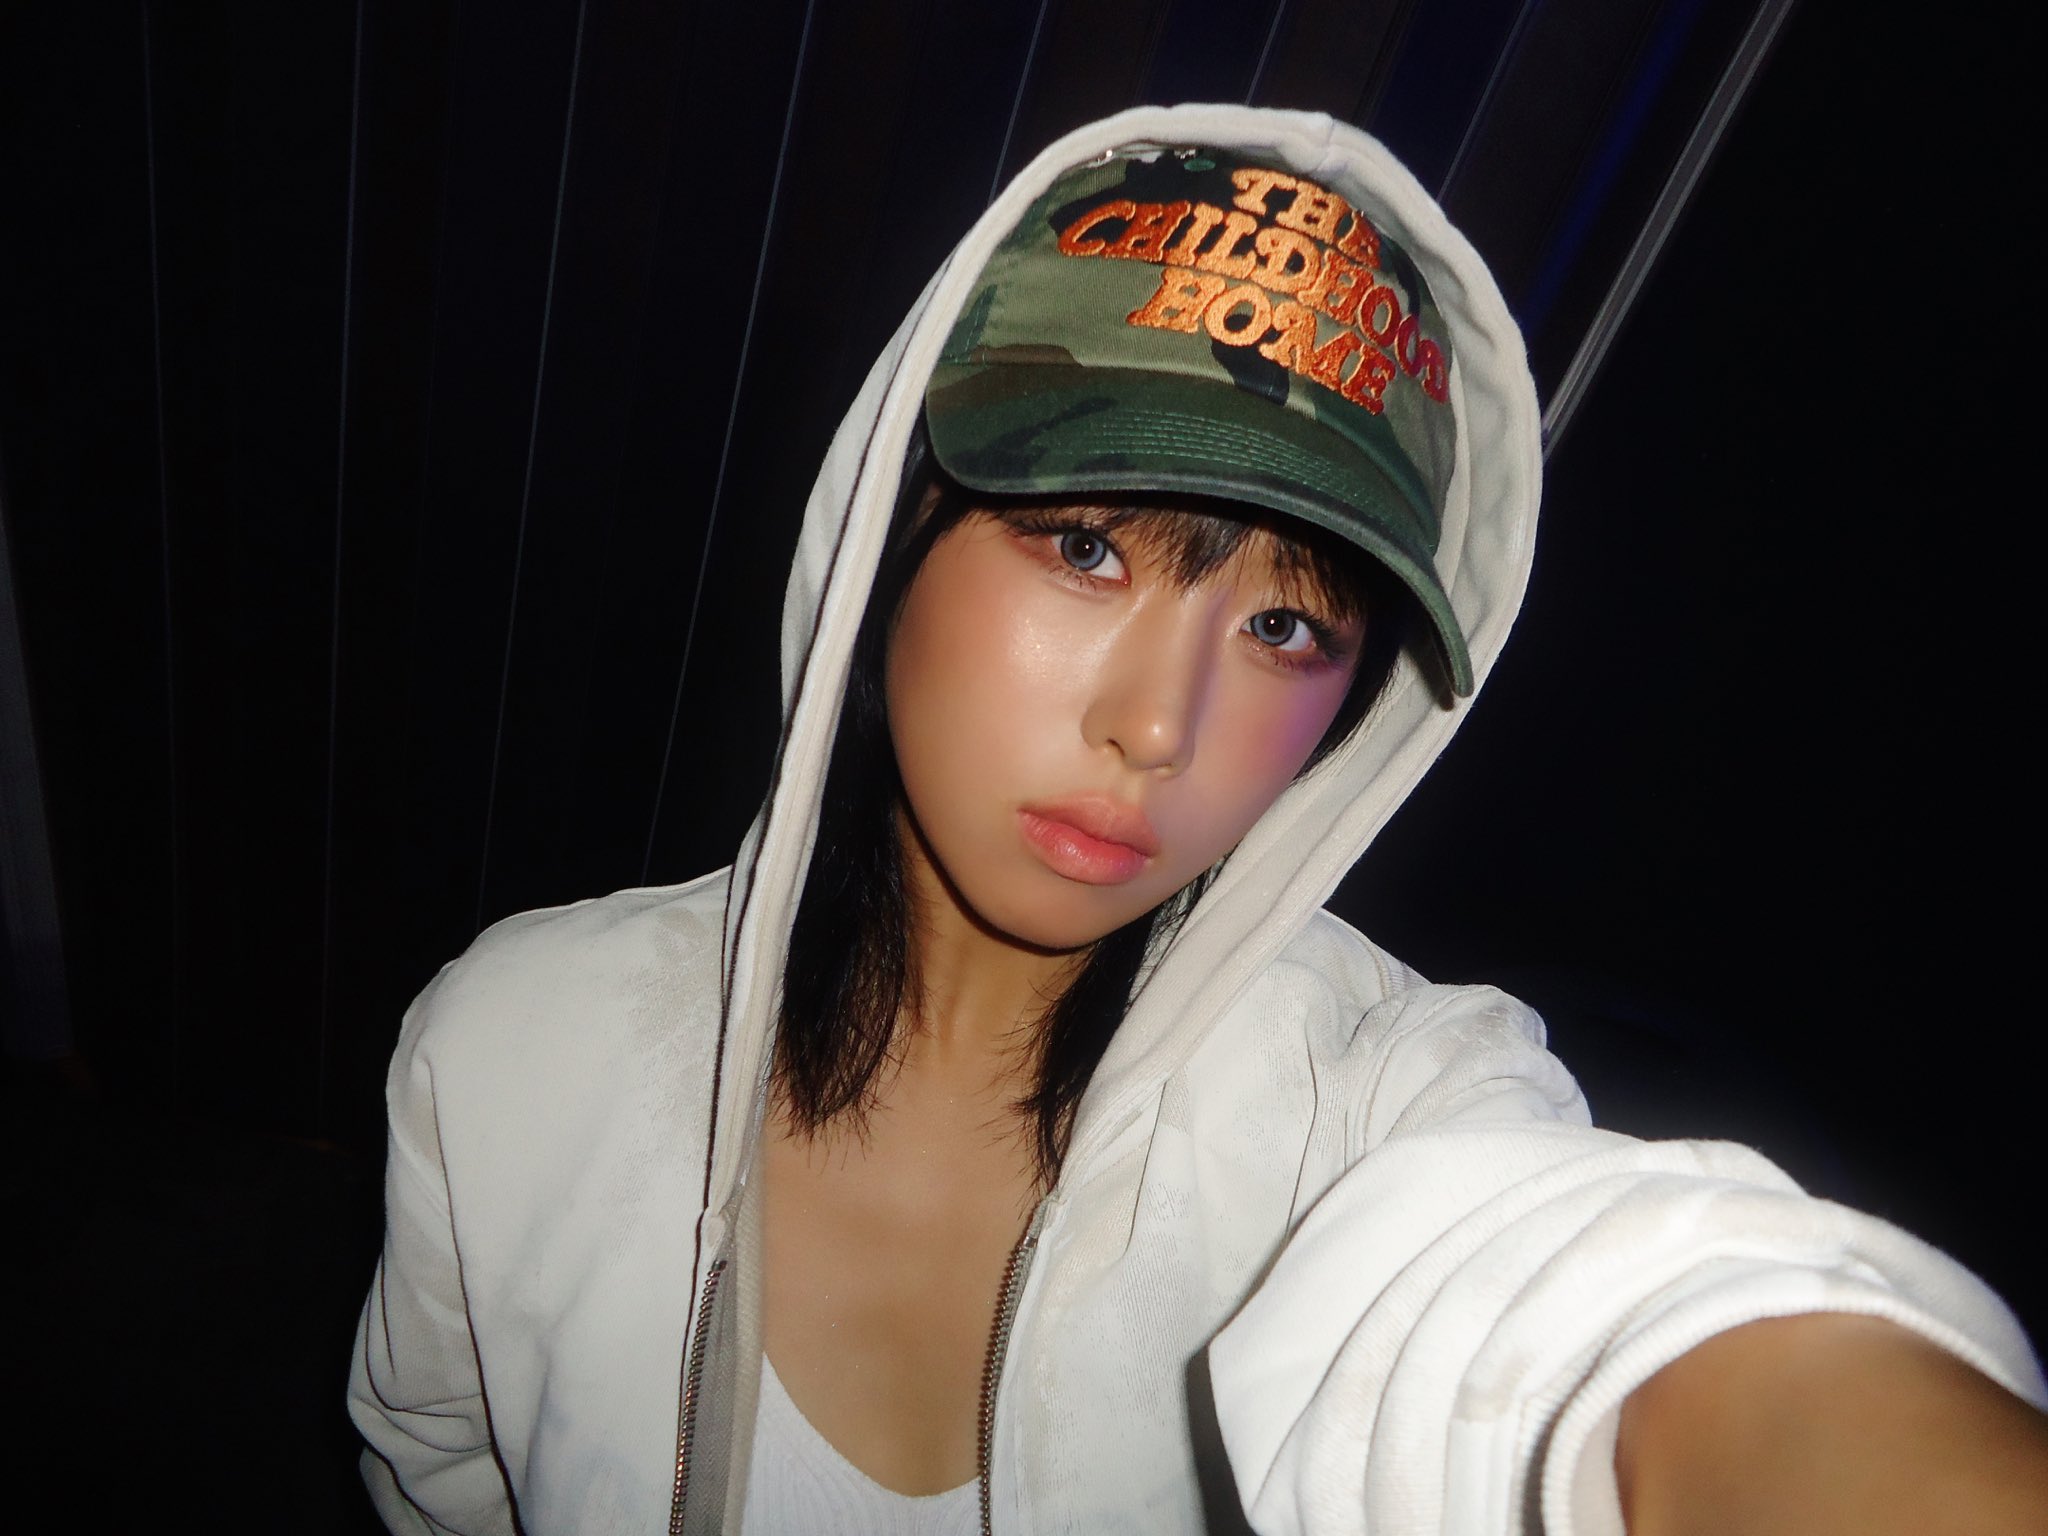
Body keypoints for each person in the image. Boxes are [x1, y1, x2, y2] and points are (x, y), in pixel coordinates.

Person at [347, 105, 2047, 1534]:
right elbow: (443, 1481)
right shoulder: (508, 1057)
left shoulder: (1370, 1097)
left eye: (1288, 626)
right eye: (1088, 545)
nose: (1162, 728)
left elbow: (1589, 1304)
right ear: (891, 533)